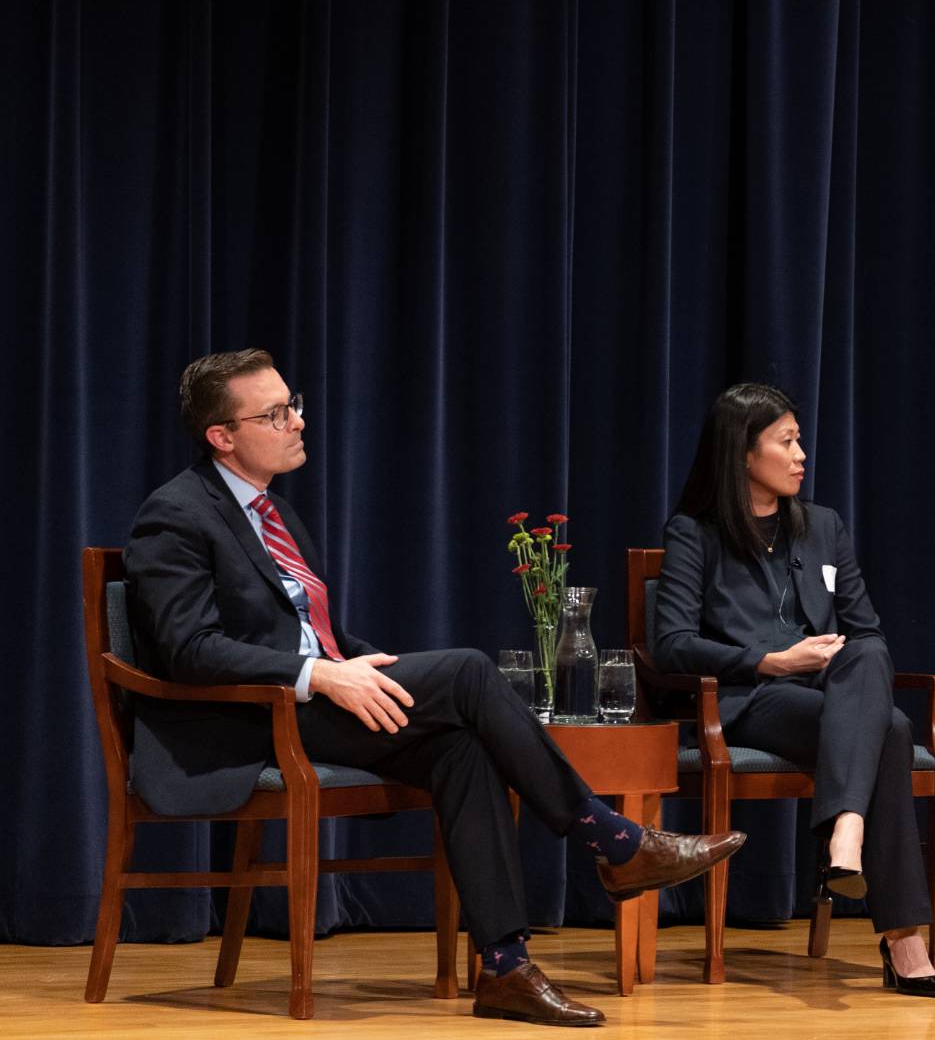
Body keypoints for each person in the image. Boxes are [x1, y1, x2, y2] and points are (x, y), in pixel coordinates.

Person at [124, 350, 746, 1027]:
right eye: (275, 413)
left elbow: (306, 629)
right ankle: (612, 839)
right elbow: (187, 649)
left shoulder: (277, 514)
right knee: (470, 669)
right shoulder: (176, 513)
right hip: (243, 725)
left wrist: (352, 660)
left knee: (461, 748)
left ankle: (506, 967)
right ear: (222, 435)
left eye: (292, 402)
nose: (297, 420)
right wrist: (320, 674)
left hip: (310, 703)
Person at [651, 383, 935, 997]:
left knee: (868, 653)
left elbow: (865, 629)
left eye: (799, 439)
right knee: (889, 729)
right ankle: (902, 936)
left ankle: (846, 831)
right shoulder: (693, 533)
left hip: (835, 689)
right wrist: (769, 661)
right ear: (742, 455)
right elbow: (671, 644)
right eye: (786, 442)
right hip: (754, 698)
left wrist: (822, 660)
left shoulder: (824, 527)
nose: (801, 454)